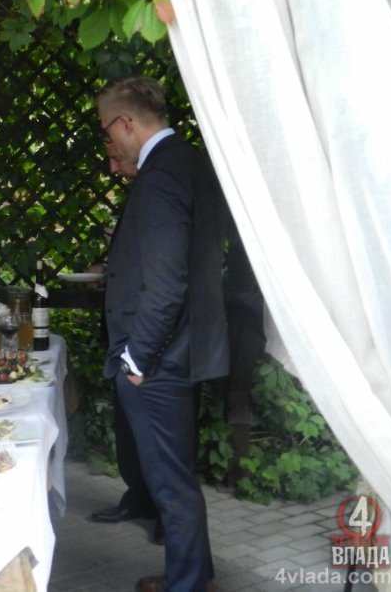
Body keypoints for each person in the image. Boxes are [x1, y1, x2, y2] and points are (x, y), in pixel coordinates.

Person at [97, 76, 228, 592]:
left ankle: (188, 584)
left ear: (126, 122)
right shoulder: (190, 162)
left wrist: (136, 360)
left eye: (106, 129)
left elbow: (167, 282)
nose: (108, 141)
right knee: (176, 478)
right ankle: (192, 575)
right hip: (182, 349)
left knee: (171, 484)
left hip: (160, 359)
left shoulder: (160, 177)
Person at [88, 141, 164, 547]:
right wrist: (108, 268)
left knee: (161, 437)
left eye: (117, 158)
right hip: (126, 337)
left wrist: (142, 354)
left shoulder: (164, 188)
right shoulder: (141, 193)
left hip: (153, 338)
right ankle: (138, 497)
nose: (113, 168)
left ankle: (167, 513)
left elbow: (165, 274)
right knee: (127, 427)